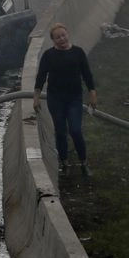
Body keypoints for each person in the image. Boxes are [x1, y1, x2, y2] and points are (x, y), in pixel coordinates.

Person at [33, 24, 96, 177]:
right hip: (55, 99)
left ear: (67, 34)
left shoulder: (78, 52)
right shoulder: (49, 55)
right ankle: (64, 163)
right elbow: (41, 77)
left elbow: (87, 74)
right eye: (58, 37)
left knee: (75, 130)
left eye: (63, 35)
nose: (62, 39)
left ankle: (84, 162)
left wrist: (92, 93)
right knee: (60, 131)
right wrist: (36, 97)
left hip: (74, 98)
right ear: (53, 40)